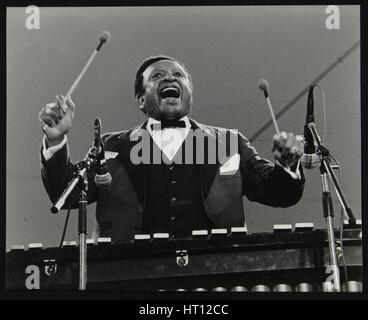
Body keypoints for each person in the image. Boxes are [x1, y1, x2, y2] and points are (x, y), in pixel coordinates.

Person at [39, 55, 305, 243]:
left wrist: (289, 166)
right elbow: (67, 195)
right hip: (130, 275)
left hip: (215, 273)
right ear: (141, 99)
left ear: (189, 93)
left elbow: (279, 193)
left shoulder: (230, 142)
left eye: (179, 75)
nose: (170, 78)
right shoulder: (110, 147)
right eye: (157, 76)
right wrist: (56, 141)